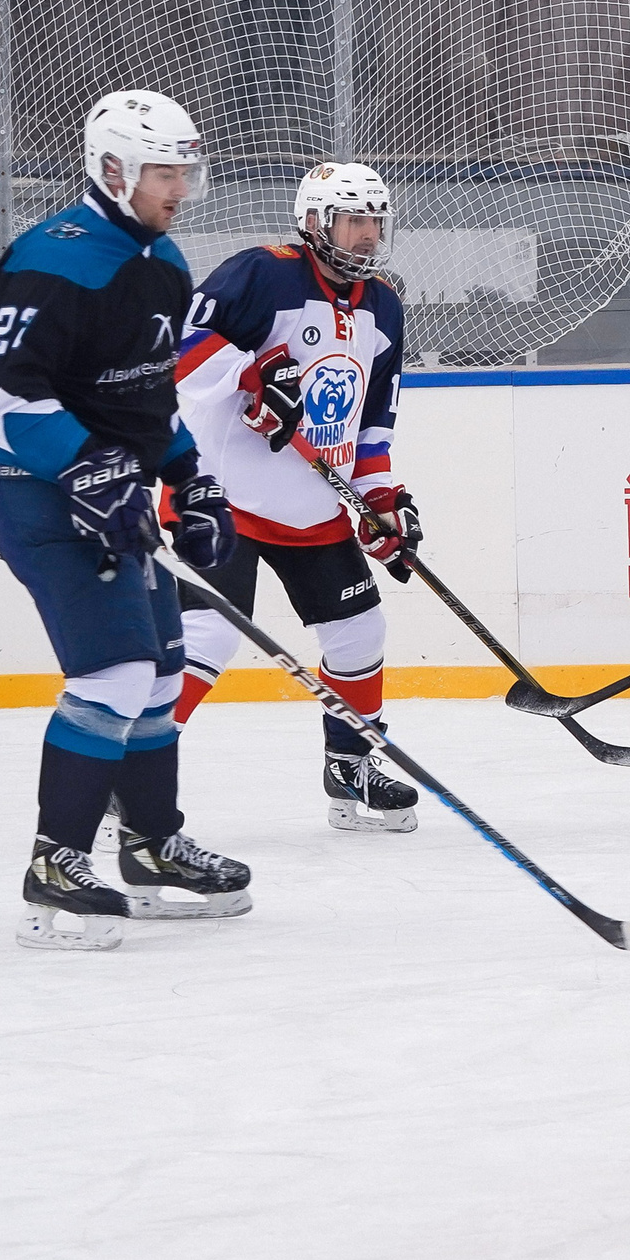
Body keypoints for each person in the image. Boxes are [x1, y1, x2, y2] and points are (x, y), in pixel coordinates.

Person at [0, 89, 249, 949]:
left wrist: (191, 479)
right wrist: (86, 464)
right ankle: (56, 865)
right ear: (112, 169)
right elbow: (5, 403)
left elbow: (147, 398)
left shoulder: (164, 263)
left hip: (114, 491)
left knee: (164, 670)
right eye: (165, 171)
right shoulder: (49, 260)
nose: (180, 188)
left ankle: (151, 842)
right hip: (41, 494)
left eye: (185, 171)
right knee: (116, 675)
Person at [171, 162, 420, 831]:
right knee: (209, 635)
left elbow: (369, 430)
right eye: (354, 219)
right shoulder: (262, 273)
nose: (368, 234)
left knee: (360, 628)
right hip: (226, 494)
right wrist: (251, 374)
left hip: (313, 505)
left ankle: (350, 768)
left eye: (376, 220)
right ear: (314, 222)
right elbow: (179, 351)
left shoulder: (385, 307)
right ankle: (130, 780)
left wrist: (381, 503)